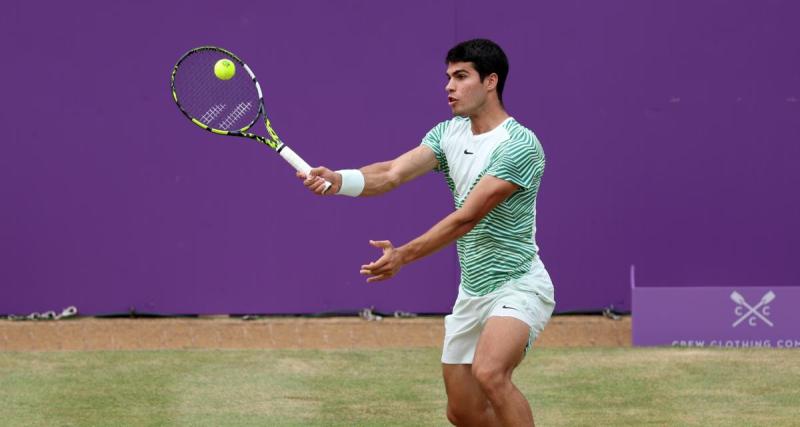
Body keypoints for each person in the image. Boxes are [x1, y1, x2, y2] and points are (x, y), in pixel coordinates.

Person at [298, 38, 555, 427]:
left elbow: (467, 218)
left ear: (490, 81)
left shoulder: (519, 146)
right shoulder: (448, 134)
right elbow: (391, 173)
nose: (449, 86)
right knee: (463, 412)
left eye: (461, 76)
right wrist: (339, 179)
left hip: (518, 285)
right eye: (448, 77)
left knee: (490, 373)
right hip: (472, 292)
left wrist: (403, 254)